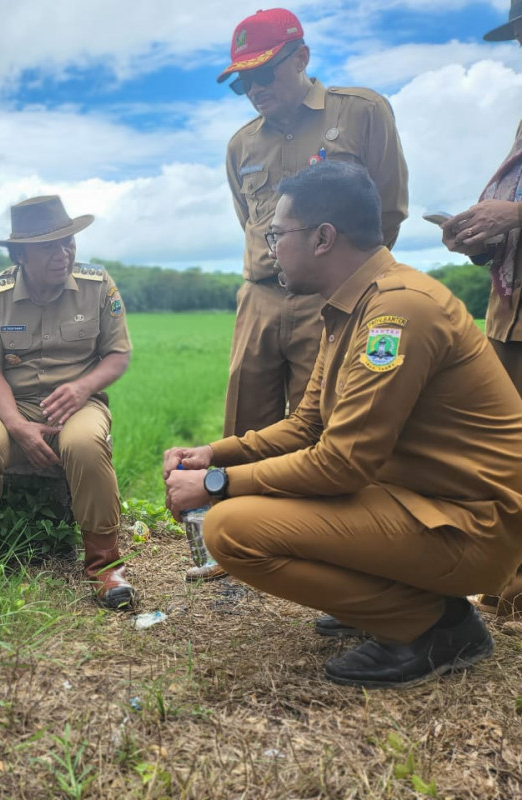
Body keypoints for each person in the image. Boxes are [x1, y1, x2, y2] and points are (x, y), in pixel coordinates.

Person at [163, 162, 522, 689]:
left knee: (230, 528)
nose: (270, 248)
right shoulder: (353, 306)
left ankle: (437, 627)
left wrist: (216, 486)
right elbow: (308, 425)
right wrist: (216, 455)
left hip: (473, 526)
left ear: (323, 238)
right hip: (427, 502)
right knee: (266, 501)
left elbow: (342, 464)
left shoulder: (396, 314)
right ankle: (398, 601)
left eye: (277, 234)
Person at [218, 7, 408, 437]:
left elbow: (388, 212)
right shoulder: (240, 145)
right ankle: (243, 507)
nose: (255, 89)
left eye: (264, 72)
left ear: (301, 58)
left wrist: (347, 288)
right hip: (260, 299)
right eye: (243, 81)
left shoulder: (361, 112)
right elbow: (250, 223)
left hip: (331, 298)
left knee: (323, 426)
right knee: (245, 430)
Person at [0, 195, 136, 609]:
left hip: (79, 404)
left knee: (86, 445)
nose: (64, 253)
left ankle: (105, 565)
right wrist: (17, 425)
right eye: (50, 246)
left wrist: (82, 387)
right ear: (21, 254)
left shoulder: (97, 286)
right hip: (11, 404)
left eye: (68, 242)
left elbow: (118, 355)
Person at [439, 0, 522, 620]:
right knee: (505, 452)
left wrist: (511, 215)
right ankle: (506, 579)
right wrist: (477, 238)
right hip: (508, 314)